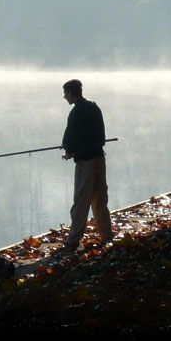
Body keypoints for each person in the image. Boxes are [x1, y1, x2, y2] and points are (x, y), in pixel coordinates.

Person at [60, 79, 114, 251]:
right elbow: (99, 136)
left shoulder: (76, 112)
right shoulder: (93, 107)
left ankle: (73, 240)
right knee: (100, 200)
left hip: (86, 162)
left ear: (70, 92)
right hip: (99, 157)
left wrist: (69, 151)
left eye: (65, 93)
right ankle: (107, 235)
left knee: (81, 200)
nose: (64, 97)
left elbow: (69, 140)